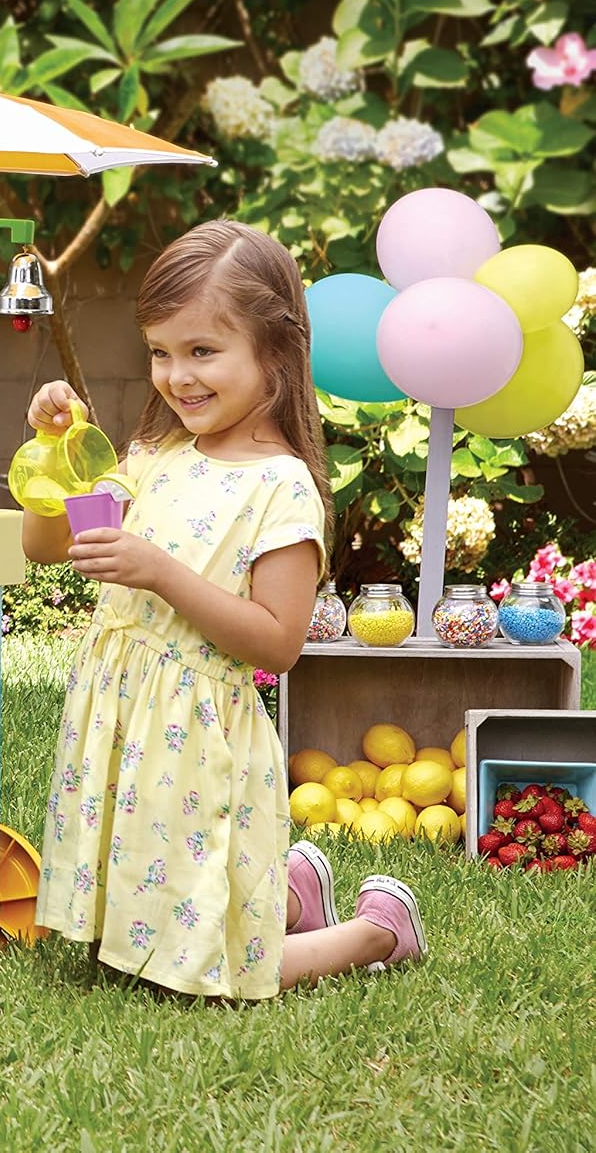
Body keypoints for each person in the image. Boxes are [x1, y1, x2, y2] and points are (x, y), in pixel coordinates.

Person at [22, 220, 425, 998]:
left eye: (203, 351)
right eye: (161, 352)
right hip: (125, 725)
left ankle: (376, 932)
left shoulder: (281, 488)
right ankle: (290, 891)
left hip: (194, 744)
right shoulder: (153, 457)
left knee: (204, 976)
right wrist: (49, 451)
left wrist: (162, 573)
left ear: (274, 351)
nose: (178, 375)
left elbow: (277, 645)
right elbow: (42, 544)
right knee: (130, 946)